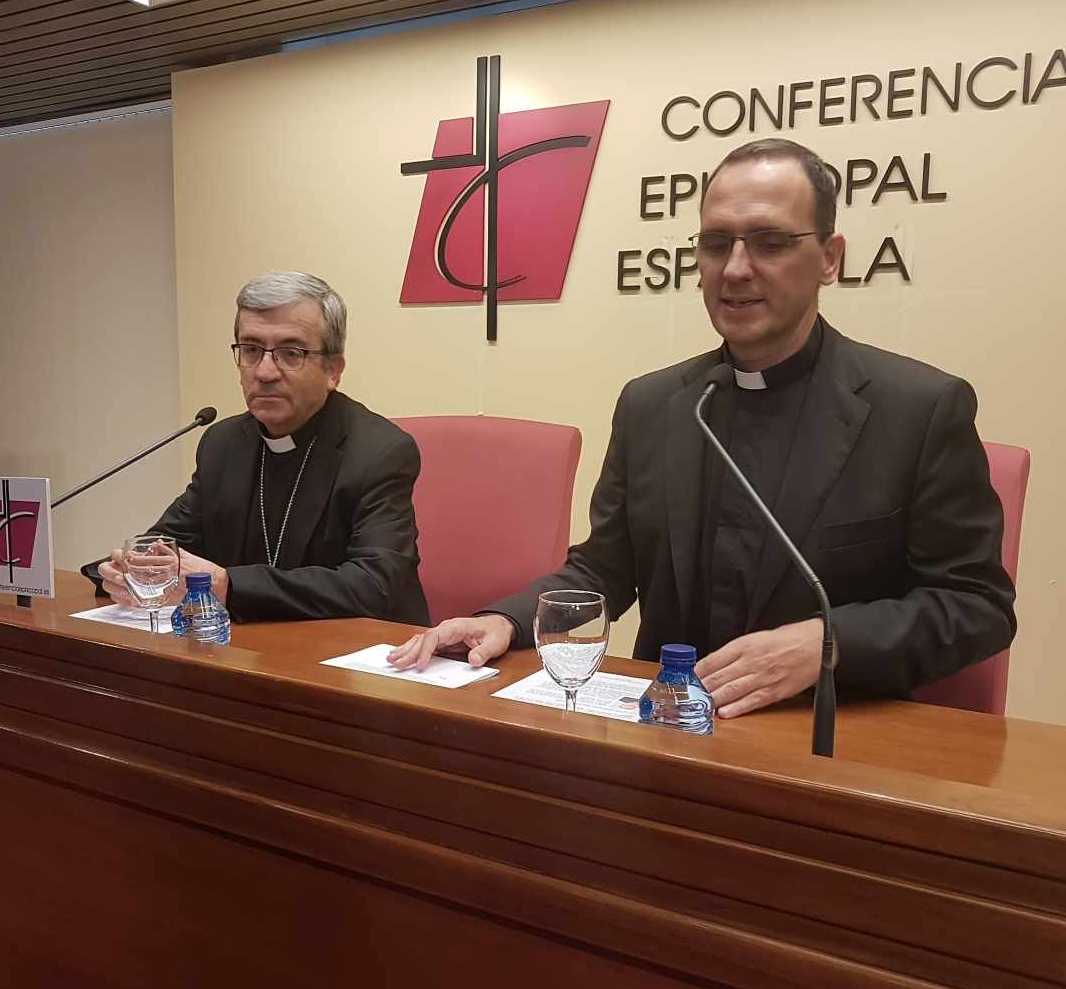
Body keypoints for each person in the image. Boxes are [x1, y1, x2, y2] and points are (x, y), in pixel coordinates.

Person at [389, 138, 1015, 716]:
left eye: (769, 243)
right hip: (665, 729)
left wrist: (828, 643)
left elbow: (977, 607)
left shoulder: (919, 407)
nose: (736, 268)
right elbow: (605, 568)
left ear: (829, 258)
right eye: (716, 244)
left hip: (831, 735)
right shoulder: (653, 404)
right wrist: (506, 619)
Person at [98, 271, 429, 625]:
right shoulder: (223, 444)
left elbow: (373, 586)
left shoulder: (380, 452)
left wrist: (231, 586)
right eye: (252, 350)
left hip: (359, 660)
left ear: (333, 370)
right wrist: (125, 570)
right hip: (247, 651)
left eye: (290, 353)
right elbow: (170, 546)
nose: (265, 371)